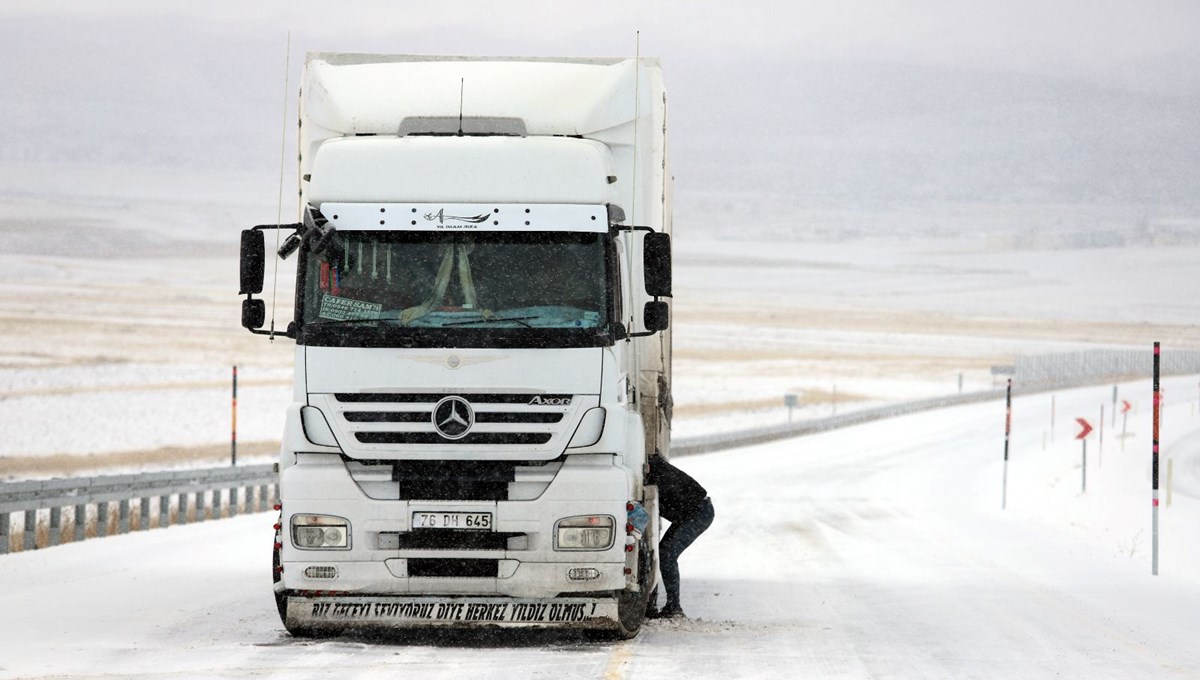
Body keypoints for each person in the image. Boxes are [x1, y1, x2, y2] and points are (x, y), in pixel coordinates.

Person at [647, 454, 715, 618]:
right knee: (664, 552)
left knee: (667, 553)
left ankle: (674, 606)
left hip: (700, 512)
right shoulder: (652, 468)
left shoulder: (656, 473)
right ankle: (665, 604)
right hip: (691, 511)